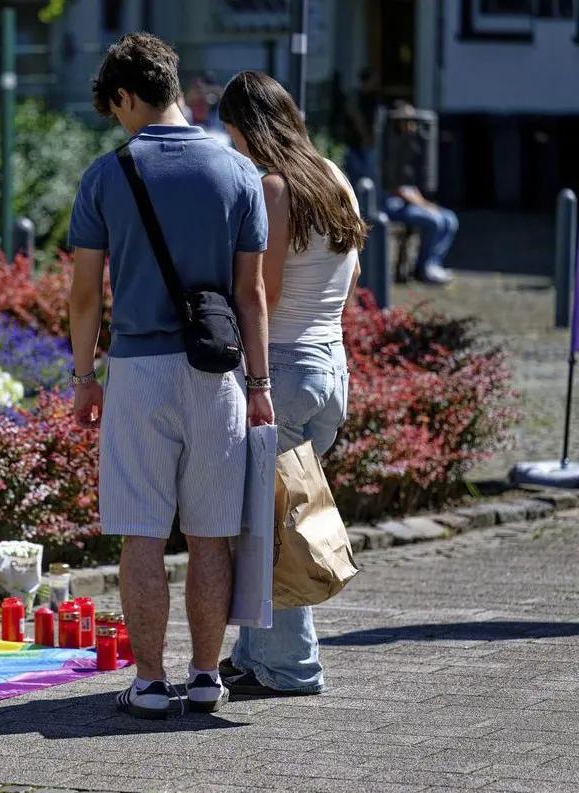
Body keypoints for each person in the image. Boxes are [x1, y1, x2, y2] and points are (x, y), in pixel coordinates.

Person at [67, 33, 273, 719]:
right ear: (176, 89)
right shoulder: (239, 174)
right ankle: (208, 675)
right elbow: (253, 297)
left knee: (143, 533)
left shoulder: (105, 176)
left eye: (115, 110)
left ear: (125, 96)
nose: (118, 123)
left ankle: (151, 682)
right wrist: (264, 385)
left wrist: (83, 376)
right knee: (212, 532)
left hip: (137, 370)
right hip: (219, 373)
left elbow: (85, 295)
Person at [217, 70, 365, 698]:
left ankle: (290, 667)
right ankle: (255, 656)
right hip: (330, 366)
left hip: (284, 370)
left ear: (248, 128)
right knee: (272, 514)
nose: (230, 148)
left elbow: (265, 295)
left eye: (230, 134)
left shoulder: (274, 188)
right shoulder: (334, 177)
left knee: (276, 526)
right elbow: (349, 281)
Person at [382, 103, 457, 285]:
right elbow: (395, 188)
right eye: (407, 122)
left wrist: (426, 204)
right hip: (392, 204)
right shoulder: (389, 148)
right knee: (435, 221)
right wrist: (422, 206)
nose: (412, 126)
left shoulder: (409, 147)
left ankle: (433, 263)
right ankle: (424, 268)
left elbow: (410, 186)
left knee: (450, 219)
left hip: (410, 202)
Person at [345, 67, 382, 187]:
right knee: (361, 176)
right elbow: (356, 117)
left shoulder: (373, 98)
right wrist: (365, 136)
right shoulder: (357, 97)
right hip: (358, 142)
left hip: (368, 142)